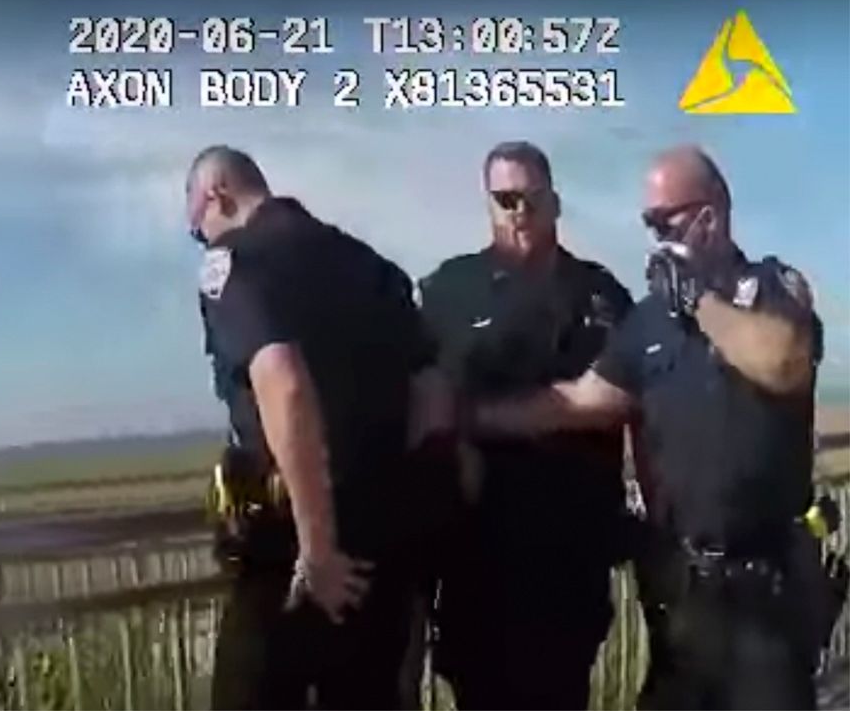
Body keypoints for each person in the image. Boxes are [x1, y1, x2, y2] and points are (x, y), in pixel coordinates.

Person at [468, 145, 826, 709]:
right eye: (648, 224)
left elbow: (783, 364)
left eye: (666, 221)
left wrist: (700, 301)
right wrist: (469, 417)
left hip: (766, 600)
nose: (656, 237)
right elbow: (580, 400)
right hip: (684, 602)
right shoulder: (649, 319)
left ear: (709, 215)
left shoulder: (773, 288)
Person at [186, 145, 439, 710]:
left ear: (216, 195)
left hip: (297, 556)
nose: (203, 240)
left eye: (197, 227)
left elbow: (284, 382)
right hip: (381, 550)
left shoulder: (234, 262)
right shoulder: (372, 267)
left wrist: (318, 547)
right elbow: (432, 396)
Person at [417, 141, 637, 710]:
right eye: (505, 198)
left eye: (532, 198)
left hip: (571, 565)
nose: (520, 211)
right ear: (488, 205)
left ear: (555, 202)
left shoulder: (600, 294)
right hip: (476, 566)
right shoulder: (448, 292)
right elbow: (420, 402)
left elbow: (618, 397)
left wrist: (479, 417)